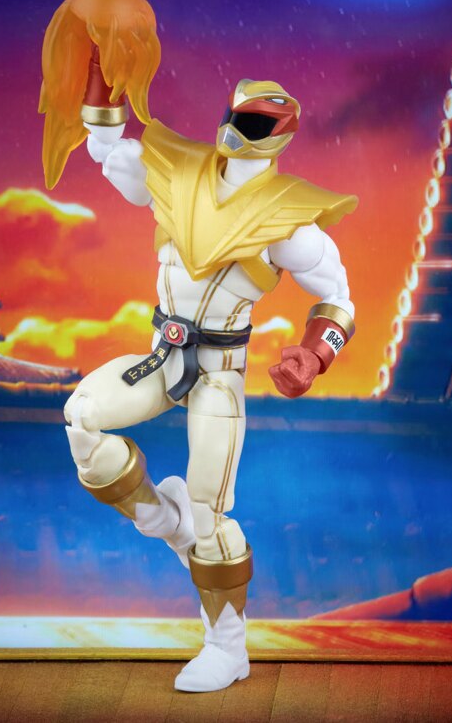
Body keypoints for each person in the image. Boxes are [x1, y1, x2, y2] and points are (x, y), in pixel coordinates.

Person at [62, 76, 358, 692]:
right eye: (234, 115)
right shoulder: (180, 174)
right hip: (161, 355)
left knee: (211, 510)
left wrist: (313, 355)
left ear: (278, 136)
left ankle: (226, 646)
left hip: (220, 373)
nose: (234, 131)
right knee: (83, 417)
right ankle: (164, 522)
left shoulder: (288, 220)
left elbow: (338, 297)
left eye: (252, 123)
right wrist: (102, 89)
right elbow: (110, 152)